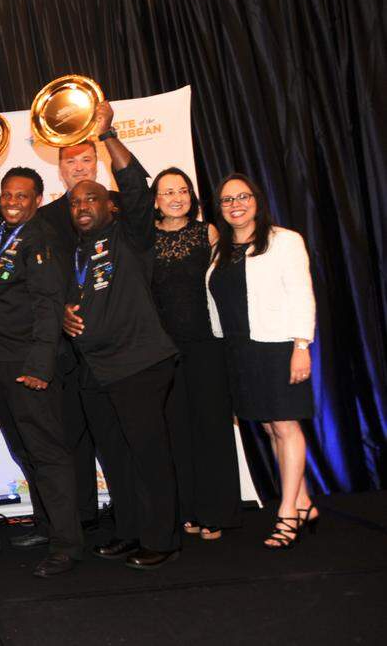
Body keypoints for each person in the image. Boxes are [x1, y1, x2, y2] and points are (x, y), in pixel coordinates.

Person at [0, 107, 83, 578]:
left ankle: (67, 546)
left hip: (31, 365)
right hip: (2, 362)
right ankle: (51, 528)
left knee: (48, 453)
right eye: (8, 195)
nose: (11, 201)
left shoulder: (41, 237)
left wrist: (40, 366)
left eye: (21, 196)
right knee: (25, 450)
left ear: (37, 199)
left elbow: (51, 304)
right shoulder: (1, 232)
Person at [61, 102, 182, 570]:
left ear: (109, 205)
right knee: (117, 457)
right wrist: (63, 317)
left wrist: (108, 136)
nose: (82, 206)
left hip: (139, 363)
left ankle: (162, 538)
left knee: (149, 455)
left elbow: (134, 184)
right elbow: (70, 301)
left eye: (91, 199)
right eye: (75, 202)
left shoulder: (131, 235)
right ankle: (130, 531)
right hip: (97, 369)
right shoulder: (76, 251)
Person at [206, 173, 317, 549]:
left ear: (257, 200)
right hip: (240, 349)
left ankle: (287, 513)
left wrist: (302, 345)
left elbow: (302, 293)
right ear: (220, 208)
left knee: (286, 427)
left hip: (277, 346)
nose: (235, 204)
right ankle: (302, 501)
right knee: (271, 428)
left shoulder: (284, 241)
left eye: (243, 197)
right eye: (227, 200)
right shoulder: (220, 248)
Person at [151, 167, 241, 541]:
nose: (176, 198)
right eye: (167, 192)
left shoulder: (209, 232)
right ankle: (186, 510)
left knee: (212, 428)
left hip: (207, 345)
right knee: (176, 432)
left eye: (183, 190)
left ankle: (216, 512)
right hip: (164, 351)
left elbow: (226, 287)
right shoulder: (145, 239)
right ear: (154, 201)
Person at [35, 143, 104, 531]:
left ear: (98, 163)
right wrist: (58, 309)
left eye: (86, 160)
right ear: (59, 169)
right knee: (71, 434)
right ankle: (82, 518)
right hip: (66, 345)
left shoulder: (119, 207)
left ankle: (135, 518)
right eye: (71, 162)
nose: (79, 168)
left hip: (117, 340)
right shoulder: (44, 219)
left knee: (119, 434)